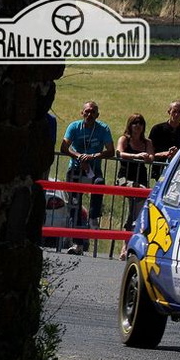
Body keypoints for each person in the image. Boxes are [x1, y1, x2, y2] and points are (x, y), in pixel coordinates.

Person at [60, 100, 114, 255]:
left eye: (93, 112)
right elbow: (64, 147)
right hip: (75, 169)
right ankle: (77, 244)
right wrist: (79, 157)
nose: (90, 114)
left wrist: (93, 156)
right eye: (87, 111)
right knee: (74, 205)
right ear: (82, 113)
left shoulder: (103, 128)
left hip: (93, 169)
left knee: (99, 184)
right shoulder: (74, 127)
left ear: (97, 114)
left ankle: (93, 217)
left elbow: (110, 151)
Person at [116, 113, 154, 260]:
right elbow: (119, 153)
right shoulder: (124, 139)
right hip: (126, 178)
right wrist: (136, 157)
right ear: (129, 125)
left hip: (141, 178)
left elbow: (151, 158)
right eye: (134, 123)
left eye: (140, 123)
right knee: (134, 209)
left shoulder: (147, 142)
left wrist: (146, 157)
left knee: (135, 214)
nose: (137, 126)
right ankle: (125, 246)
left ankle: (129, 246)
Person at [149, 100, 180, 180]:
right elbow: (150, 152)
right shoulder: (157, 129)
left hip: (178, 173)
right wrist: (166, 154)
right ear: (169, 112)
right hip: (160, 171)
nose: (176, 114)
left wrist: (177, 154)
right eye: (174, 111)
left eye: (179, 112)